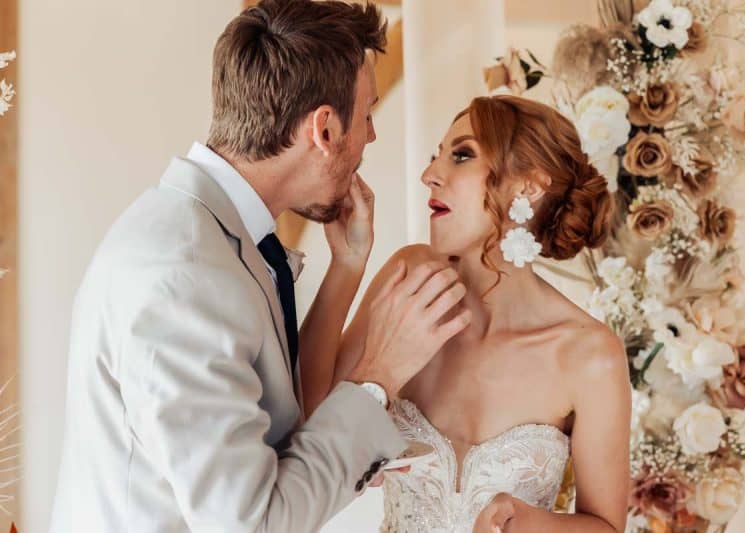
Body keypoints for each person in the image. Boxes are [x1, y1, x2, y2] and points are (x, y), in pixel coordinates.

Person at [48, 1, 471, 531]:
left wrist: (346, 266)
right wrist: (377, 377)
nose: (371, 135)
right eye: (366, 114)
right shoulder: (184, 275)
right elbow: (253, 522)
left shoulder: (214, 237)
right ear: (324, 129)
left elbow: (276, 435)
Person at [330, 96, 632, 532]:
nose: (429, 175)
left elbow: (607, 526)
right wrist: (347, 265)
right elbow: (310, 416)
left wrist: (531, 523)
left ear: (527, 187)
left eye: (462, 155)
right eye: (437, 157)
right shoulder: (411, 278)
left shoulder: (589, 353)